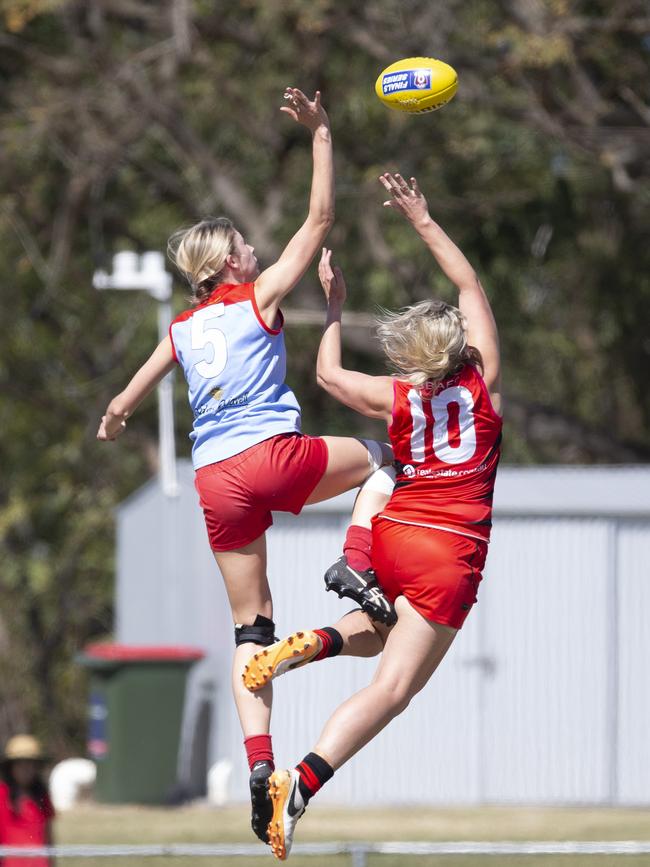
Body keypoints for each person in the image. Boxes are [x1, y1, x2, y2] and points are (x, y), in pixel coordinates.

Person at [96, 87, 394, 843]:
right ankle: (356, 565)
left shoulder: (185, 325)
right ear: (230, 260)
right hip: (271, 455)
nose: (255, 249)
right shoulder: (257, 297)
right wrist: (322, 133)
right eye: (244, 244)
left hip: (215, 479)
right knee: (381, 458)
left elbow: (138, 383)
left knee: (250, 629)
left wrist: (118, 412)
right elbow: (320, 220)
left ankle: (260, 766)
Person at [243, 172, 503, 861]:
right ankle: (296, 787)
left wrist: (333, 307)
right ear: (458, 350)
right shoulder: (481, 383)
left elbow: (328, 376)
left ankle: (314, 639)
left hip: (395, 533)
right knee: (392, 690)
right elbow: (470, 284)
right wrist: (423, 217)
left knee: (383, 630)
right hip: (450, 550)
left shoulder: (398, 398)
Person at [0, 736, 54, 867]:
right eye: (20, 764)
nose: (26, 769)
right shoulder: (2, 793)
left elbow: (49, 836)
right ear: (10, 767)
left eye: (30, 764)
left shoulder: (42, 796)